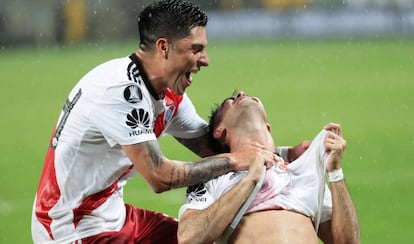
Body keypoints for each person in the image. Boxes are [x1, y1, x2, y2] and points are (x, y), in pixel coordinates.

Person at [30, 1, 282, 243]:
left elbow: (215, 148)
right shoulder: (121, 91)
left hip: (114, 215)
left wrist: (286, 155)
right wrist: (235, 160)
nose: (205, 60)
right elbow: (160, 176)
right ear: (164, 47)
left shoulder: (169, 95)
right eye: (195, 49)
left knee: (208, 238)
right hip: (72, 228)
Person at [178, 91, 360, 244]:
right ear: (220, 131)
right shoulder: (212, 176)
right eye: (231, 100)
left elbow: (347, 242)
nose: (242, 93)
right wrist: (250, 180)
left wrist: (335, 172)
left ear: (267, 126)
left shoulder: (301, 171)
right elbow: (189, 237)